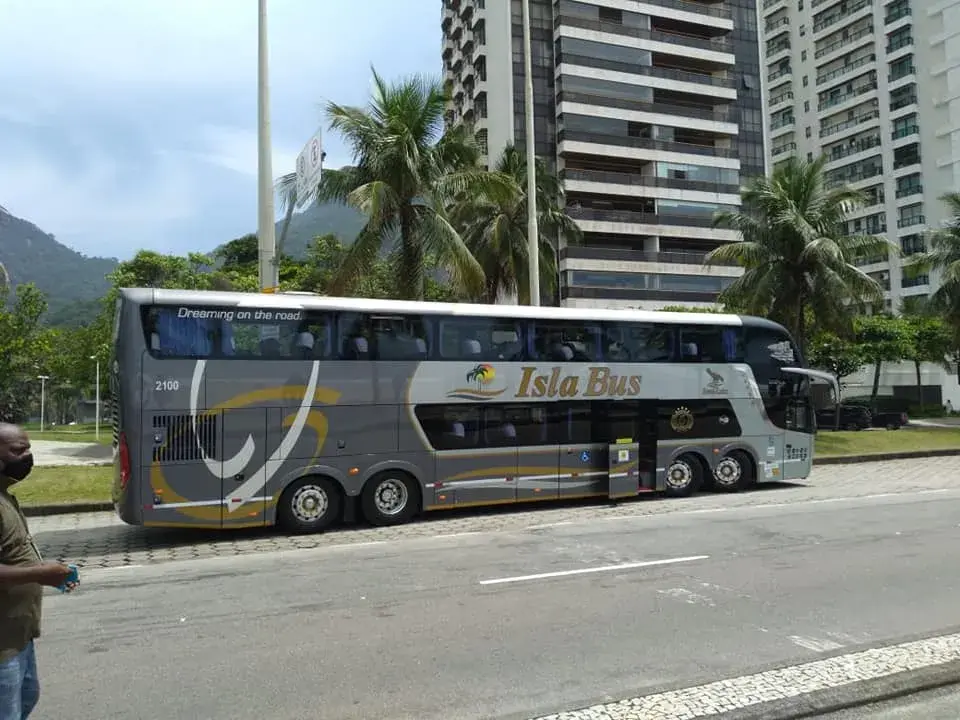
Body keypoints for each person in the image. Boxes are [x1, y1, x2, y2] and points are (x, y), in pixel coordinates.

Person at [0, 423, 77, 719]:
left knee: (27, 698)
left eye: (29, 449)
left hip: (19, 636)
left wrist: (49, 571)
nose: (28, 457)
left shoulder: (5, 495)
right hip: (3, 645)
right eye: (19, 451)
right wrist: (39, 574)